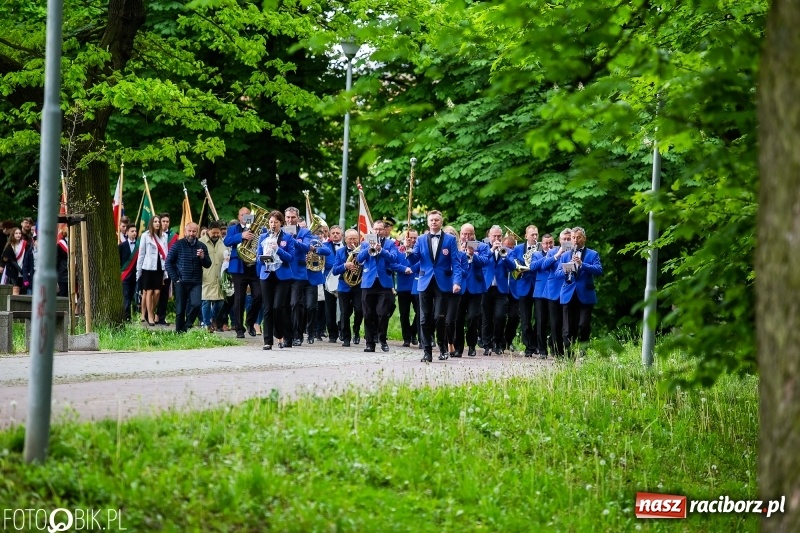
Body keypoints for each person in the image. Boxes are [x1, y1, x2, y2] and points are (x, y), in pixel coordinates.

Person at [407, 210, 463, 362]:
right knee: (424, 318)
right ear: (427, 222)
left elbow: (456, 263)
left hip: (442, 283)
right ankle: (427, 352)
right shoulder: (420, 239)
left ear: (441, 222)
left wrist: (456, 282)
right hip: (425, 281)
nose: (434, 222)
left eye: (436, 220)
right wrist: (408, 250)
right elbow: (414, 260)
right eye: (431, 220)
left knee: (439, 317)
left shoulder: (450, 240)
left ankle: (442, 346)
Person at [555, 227, 603, 354]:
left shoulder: (593, 254)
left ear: (584, 238)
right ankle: (568, 354)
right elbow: (557, 274)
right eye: (573, 238)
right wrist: (567, 269)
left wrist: (582, 264)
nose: (575, 240)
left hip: (585, 295)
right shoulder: (565, 255)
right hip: (568, 293)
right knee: (568, 328)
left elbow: (599, 270)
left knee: (584, 325)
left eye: (578, 237)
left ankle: (583, 351)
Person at [256, 210, 295, 349]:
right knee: (267, 308)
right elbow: (258, 258)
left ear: (281, 223)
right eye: (271, 222)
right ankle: (267, 341)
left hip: (282, 276)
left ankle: (279, 334)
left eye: (276, 222)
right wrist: (264, 257)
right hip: (266, 274)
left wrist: (278, 249)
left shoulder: (288, 238)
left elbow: (290, 258)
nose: (273, 225)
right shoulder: (263, 237)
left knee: (278, 307)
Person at [357, 220, 397, 353]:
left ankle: (382, 339)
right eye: (376, 229)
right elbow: (359, 259)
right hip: (368, 282)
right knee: (368, 314)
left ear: (385, 230)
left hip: (384, 283)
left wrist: (382, 250)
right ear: (372, 230)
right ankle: (369, 343)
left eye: (380, 229)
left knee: (382, 313)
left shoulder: (391, 244)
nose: (378, 232)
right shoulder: (364, 243)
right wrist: (368, 248)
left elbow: (393, 258)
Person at [165, 223, 212, 333]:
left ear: (197, 232)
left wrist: (202, 257)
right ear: (185, 231)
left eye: (194, 231)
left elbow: (208, 264)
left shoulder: (202, 246)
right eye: (189, 231)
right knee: (180, 309)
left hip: (196, 282)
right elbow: (168, 263)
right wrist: (176, 279)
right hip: (181, 281)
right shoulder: (178, 245)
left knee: (196, 304)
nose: (191, 233)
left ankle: (187, 326)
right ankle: (178, 332)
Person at [223, 207, 262, 338]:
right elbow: (226, 241)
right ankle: (239, 329)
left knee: (259, 296)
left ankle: (250, 322)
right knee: (239, 299)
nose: (245, 217)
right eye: (242, 215)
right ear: (239, 217)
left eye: (248, 215)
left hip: (253, 267)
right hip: (238, 268)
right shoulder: (233, 229)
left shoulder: (257, 229)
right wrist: (241, 236)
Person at [454, 224, 490, 357]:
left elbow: (485, 261)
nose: (467, 237)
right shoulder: (455, 246)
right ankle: (458, 347)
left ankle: (471, 345)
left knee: (472, 318)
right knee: (458, 318)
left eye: (470, 234)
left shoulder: (482, 246)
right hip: (459, 287)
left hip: (475, 287)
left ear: (474, 234)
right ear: (460, 233)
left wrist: (472, 255)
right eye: (464, 234)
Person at [481, 225, 514, 355]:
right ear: (489, 236)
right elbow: (480, 262)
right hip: (486, 287)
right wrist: (491, 251)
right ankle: (487, 345)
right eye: (494, 236)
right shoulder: (484, 249)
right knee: (486, 317)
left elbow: (512, 267)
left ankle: (497, 343)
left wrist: (504, 256)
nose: (496, 238)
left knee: (500, 317)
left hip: (501, 288)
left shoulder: (508, 251)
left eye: (499, 236)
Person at [284, 207, 313, 346]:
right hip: (283, 272)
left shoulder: (305, 231)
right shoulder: (279, 230)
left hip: (298, 273)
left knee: (295, 303)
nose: (290, 220)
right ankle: (285, 333)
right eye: (288, 217)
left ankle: (297, 334)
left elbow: (306, 247)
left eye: (293, 217)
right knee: (283, 305)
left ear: (298, 218)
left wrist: (291, 239)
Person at [511, 225, 540, 356]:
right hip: (523, 285)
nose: (535, 237)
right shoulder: (517, 248)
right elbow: (510, 262)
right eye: (532, 234)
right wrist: (517, 266)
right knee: (525, 319)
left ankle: (538, 345)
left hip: (538, 286)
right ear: (526, 236)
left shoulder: (541, 248)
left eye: (536, 234)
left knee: (539, 318)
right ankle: (529, 347)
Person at [332, 229, 363, 347]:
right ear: (345, 239)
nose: (352, 241)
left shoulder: (362, 251)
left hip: (358, 286)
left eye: (355, 238)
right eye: (350, 238)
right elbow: (335, 270)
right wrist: (345, 265)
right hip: (344, 286)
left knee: (360, 310)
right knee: (344, 313)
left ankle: (356, 330)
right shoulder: (340, 252)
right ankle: (346, 338)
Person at [544, 228, 572, 357]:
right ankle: (557, 350)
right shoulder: (553, 252)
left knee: (567, 323)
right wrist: (558, 254)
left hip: (568, 291)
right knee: (555, 323)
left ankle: (567, 349)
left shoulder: (575, 253)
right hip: (554, 291)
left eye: (568, 239)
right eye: (564, 239)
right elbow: (544, 266)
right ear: (559, 241)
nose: (566, 241)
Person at [136, 217, 167, 326]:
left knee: (157, 292)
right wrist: (138, 270)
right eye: (155, 222)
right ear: (151, 223)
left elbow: (165, 253)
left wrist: (166, 271)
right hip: (148, 267)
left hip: (159, 267)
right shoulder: (146, 235)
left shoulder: (164, 236)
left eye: (158, 222)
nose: (157, 223)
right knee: (149, 291)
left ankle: (151, 310)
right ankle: (150, 315)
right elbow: (141, 253)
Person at [304, 226, 332, 344]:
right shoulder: (295, 238)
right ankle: (298, 333)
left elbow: (327, 251)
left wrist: (314, 250)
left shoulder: (314, 240)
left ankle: (311, 332)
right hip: (298, 276)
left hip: (312, 277)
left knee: (311, 306)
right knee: (297, 306)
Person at [531, 233, 555, 358]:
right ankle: (542, 350)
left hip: (552, 291)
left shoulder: (559, 253)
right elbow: (533, 267)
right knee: (540, 321)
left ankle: (553, 346)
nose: (548, 245)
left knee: (554, 321)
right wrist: (547, 257)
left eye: (550, 243)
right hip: (540, 292)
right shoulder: (536, 254)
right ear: (541, 244)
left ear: (553, 242)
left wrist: (554, 255)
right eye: (545, 243)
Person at [200, 221, 227, 330]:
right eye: (213, 233)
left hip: (220, 277)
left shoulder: (223, 243)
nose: (216, 235)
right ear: (208, 231)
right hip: (206, 276)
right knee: (206, 301)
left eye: (218, 233)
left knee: (220, 302)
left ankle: (211, 319)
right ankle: (207, 324)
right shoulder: (201, 242)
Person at [396, 229, 420, 347]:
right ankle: (406, 337)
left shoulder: (419, 250)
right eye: (410, 238)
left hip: (416, 285)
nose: (412, 240)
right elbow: (393, 264)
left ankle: (413, 332)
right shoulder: (398, 250)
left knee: (419, 312)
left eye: (415, 238)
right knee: (404, 313)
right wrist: (403, 269)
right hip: (403, 286)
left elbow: (423, 262)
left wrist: (413, 268)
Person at [322, 225, 344, 342]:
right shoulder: (324, 246)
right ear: (329, 235)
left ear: (342, 235)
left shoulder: (347, 247)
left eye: (338, 233)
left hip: (343, 281)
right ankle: (332, 334)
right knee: (329, 309)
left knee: (344, 308)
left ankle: (342, 328)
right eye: (333, 233)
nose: (335, 235)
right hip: (328, 281)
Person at [155, 213, 176, 326]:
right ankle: (152, 316)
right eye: (163, 221)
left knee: (164, 294)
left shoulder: (173, 236)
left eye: (167, 221)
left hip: (168, 268)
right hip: (155, 268)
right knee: (155, 293)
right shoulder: (154, 235)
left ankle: (161, 317)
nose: (165, 223)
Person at [0, 227, 34, 295]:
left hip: (23, 271)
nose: (18, 235)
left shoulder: (25, 244)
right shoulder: (10, 246)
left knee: (23, 290)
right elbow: (7, 259)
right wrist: (2, 266)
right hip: (13, 271)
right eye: (16, 233)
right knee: (15, 290)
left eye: (19, 233)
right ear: (13, 235)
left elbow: (28, 257)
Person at [119, 225, 139, 321]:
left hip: (135, 276)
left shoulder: (139, 246)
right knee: (126, 297)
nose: (134, 233)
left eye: (135, 231)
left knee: (131, 296)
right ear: (127, 232)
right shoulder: (122, 246)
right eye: (132, 231)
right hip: (125, 276)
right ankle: (126, 317)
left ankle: (128, 316)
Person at [56, 227, 69, 297]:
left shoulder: (76, 242)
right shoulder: (60, 244)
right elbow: (56, 259)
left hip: (73, 272)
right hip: (63, 273)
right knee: (63, 293)